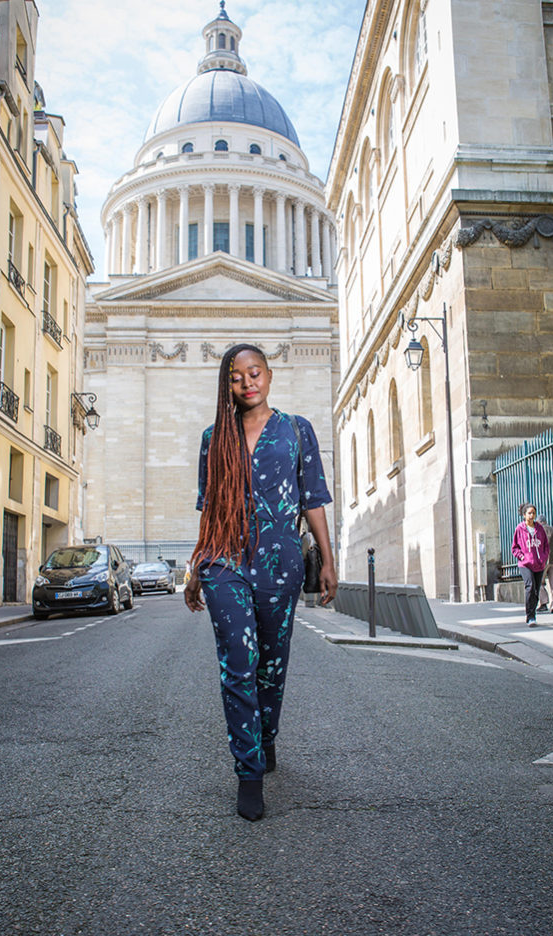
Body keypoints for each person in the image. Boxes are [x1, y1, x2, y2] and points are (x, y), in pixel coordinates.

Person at [184, 343, 337, 821]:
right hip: (224, 559)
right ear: (226, 385)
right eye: (236, 376)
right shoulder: (214, 437)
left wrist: (328, 560)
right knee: (239, 660)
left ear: (269, 376)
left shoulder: (296, 430)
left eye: (254, 373)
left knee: (271, 665)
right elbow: (209, 507)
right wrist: (196, 567)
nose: (247, 382)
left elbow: (313, 499)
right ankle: (247, 771)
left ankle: (265, 738)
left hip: (281, 562)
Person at [511, 503, 549, 627]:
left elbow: (545, 546)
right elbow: (514, 548)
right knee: (530, 586)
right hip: (525, 564)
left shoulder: (539, 529)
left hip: (539, 564)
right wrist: (522, 557)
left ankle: (533, 614)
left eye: (533, 513)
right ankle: (530, 616)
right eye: (529, 513)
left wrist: (543, 558)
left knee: (537, 591)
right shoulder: (519, 529)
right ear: (524, 515)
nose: (532, 515)